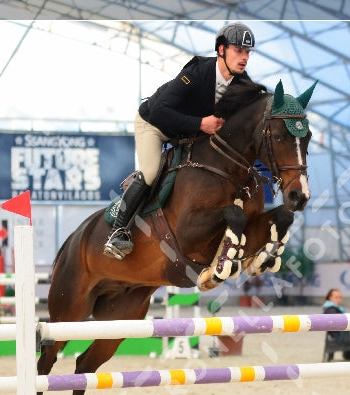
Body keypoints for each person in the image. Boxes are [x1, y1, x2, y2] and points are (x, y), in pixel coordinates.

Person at [103, 22, 256, 260]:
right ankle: (118, 231)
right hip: (153, 124)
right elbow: (160, 112)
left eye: (248, 52)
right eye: (239, 50)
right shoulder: (196, 73)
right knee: (151, 172)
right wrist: (200, 124)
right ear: (221, 50)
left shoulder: (241, 82)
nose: (244, 57)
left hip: (187, 134)